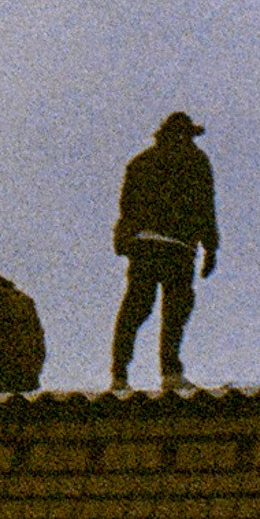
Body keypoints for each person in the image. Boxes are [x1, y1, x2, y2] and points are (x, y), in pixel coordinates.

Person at [110, 111, 218, 391]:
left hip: (145, 246)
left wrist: (123, 240)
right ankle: (169, 373)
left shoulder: (140, 163)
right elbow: (206, 208)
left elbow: (127, 209)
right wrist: (210, 248)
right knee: (174, 312)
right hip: (177, 249)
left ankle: (119, 374)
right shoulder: (196, 161)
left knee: (136, 308)